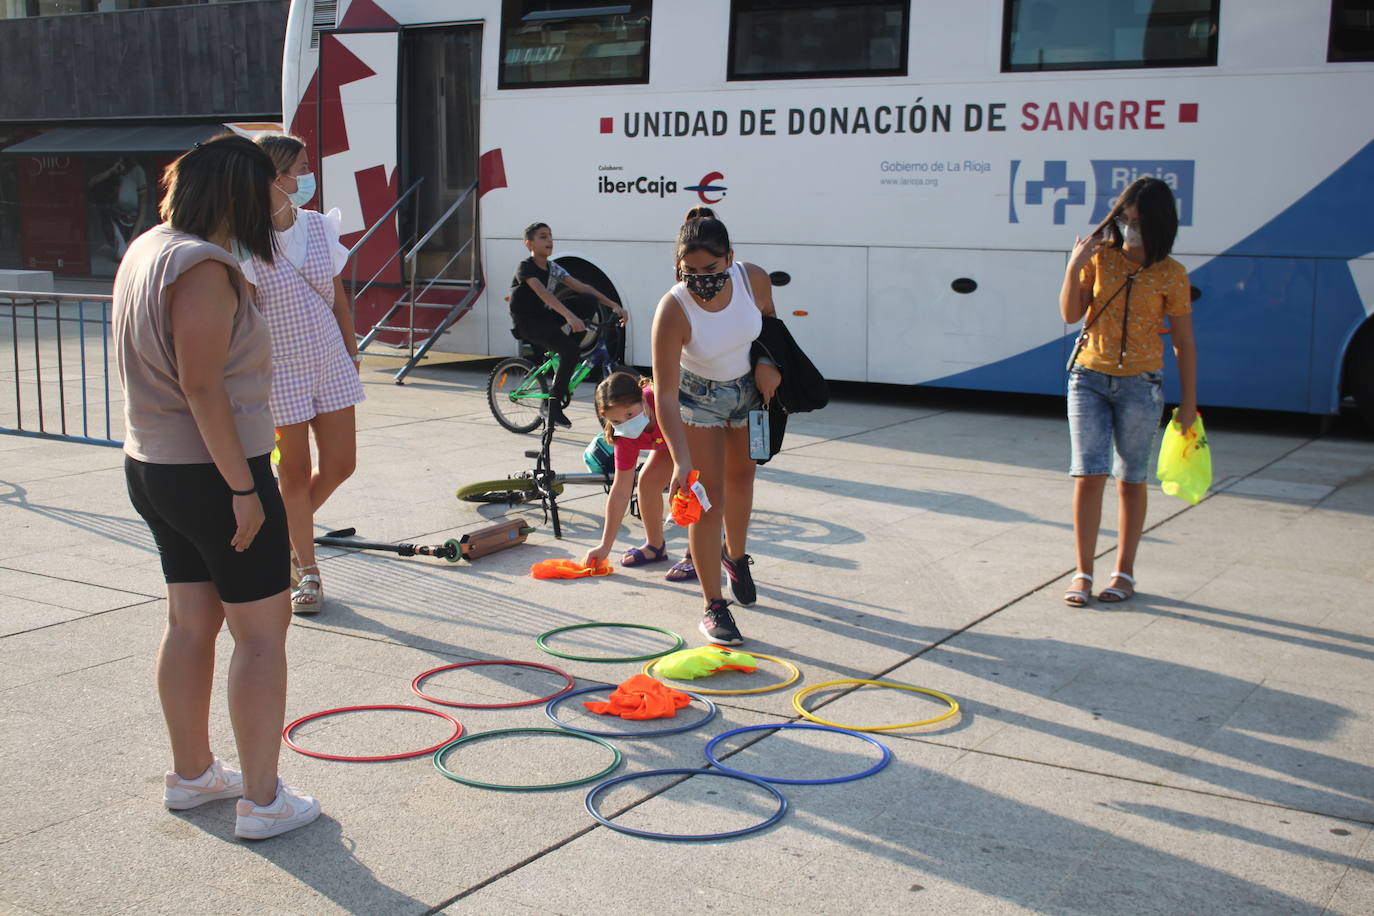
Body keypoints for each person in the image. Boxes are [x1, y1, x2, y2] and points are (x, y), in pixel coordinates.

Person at [112, 134, 320, 840]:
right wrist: (243, 488)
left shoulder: (150, 247)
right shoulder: (202, 264)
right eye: (274, 183)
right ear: (239, 191)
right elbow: (202, 385)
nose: (284, 196)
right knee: (262, 635)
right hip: (213, 470)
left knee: (191, 621)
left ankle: (194, 774)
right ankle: (263, 801)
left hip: (157, 465)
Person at [1059, 176, 1198, 607]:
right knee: (1088, 474)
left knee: (1130, 479)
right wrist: (1073, 265)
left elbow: (1183, 342)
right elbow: (1070, 313)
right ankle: (1082, 573)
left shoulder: (1172, 274)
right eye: (1125, 218)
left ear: (1159, 225)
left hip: (1142, 385)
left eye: (1138, 221)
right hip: (1088, 379)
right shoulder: (1100, 260)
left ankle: (1123, 573)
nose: (1129, 227)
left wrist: (1188, 406)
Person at [239, 133, 364, 613]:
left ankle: (284, 539)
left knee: (340, 463)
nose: (308, 174)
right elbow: (247, 316)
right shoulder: (244, 237)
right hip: (279, 369)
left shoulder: (317, 225)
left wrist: (351, 354)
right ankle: (307, 571)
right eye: (301, 166)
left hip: (330, 359)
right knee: (291, 472)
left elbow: (337, 297)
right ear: (275, 174)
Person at [651, 215, 781, 645]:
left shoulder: (753, 280)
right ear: (678, 267)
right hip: (697, 400)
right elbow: (665, 395)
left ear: (730, 257)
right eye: (691, 272)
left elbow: (772, 331)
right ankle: (713, 605)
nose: (701, 280)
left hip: (749, 392)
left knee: (743, 478)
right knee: (708, 498)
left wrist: (767, 364)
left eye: (711, 270)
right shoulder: (673, 309)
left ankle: (736, 556)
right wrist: (680, 461)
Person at [508, 222, 625, 429]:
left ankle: (567, 353)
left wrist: (614, 305)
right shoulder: (526, 267)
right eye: (543, 237)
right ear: (529, 243)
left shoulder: (553, 268)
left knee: (588, 299)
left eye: (550, 236)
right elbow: (543, 293)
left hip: (545, 316)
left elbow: (583, 287)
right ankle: (552, 406)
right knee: (570, 350)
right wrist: (570, 317)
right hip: (527, 321)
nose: (549, 241)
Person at [582, 371, 676, 571]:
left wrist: (681, 472)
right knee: (647, 482)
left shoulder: (664, 402)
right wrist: (605, 546)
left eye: (629, 415)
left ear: (643, 398)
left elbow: (695, 448)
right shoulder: (624, 436)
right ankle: (655, 546)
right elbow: (621, 490)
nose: (625, 424)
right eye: (615, 421)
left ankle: (696, 554)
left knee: (691, 487)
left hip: (699, 438)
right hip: (667, 445)